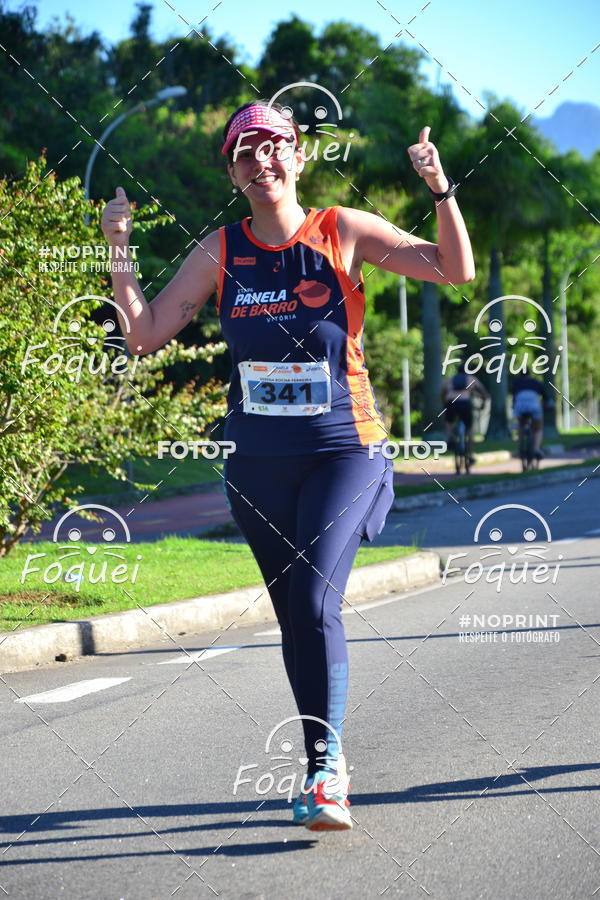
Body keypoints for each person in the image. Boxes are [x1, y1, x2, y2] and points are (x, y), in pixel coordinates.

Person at [101, 99, 475, 831]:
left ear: (299, 156)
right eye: (246, 152)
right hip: (258, 465)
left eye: (274, 146)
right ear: (233, 171)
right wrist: (118, 245)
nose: (261, 160)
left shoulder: (342, 231)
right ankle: (316, 769)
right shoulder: (220, 253)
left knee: (313, 602)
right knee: (294, 619)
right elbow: (143, 336)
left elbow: (455, 271)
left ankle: (328, 774)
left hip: (346, 449)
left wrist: (440, 191)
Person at [441, 362, 489, 465]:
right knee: (469, 428)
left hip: (452, 403)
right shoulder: (471, 379)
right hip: (464, 404)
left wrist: (445, 403)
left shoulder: (450, 379)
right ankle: (470, 455)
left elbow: (443, 393)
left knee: (448, 422)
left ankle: (449, 438)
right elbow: (483, 392)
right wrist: (483, 403)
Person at [511, 367, 545, 458]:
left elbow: (514, 397)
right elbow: (545, 395)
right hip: (533, 405)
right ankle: (536, 449)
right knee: (538, 427)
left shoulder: (516, 382)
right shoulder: (535, 382)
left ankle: (520, 446)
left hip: (520, 405)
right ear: (529, 374)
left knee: (521, 425)